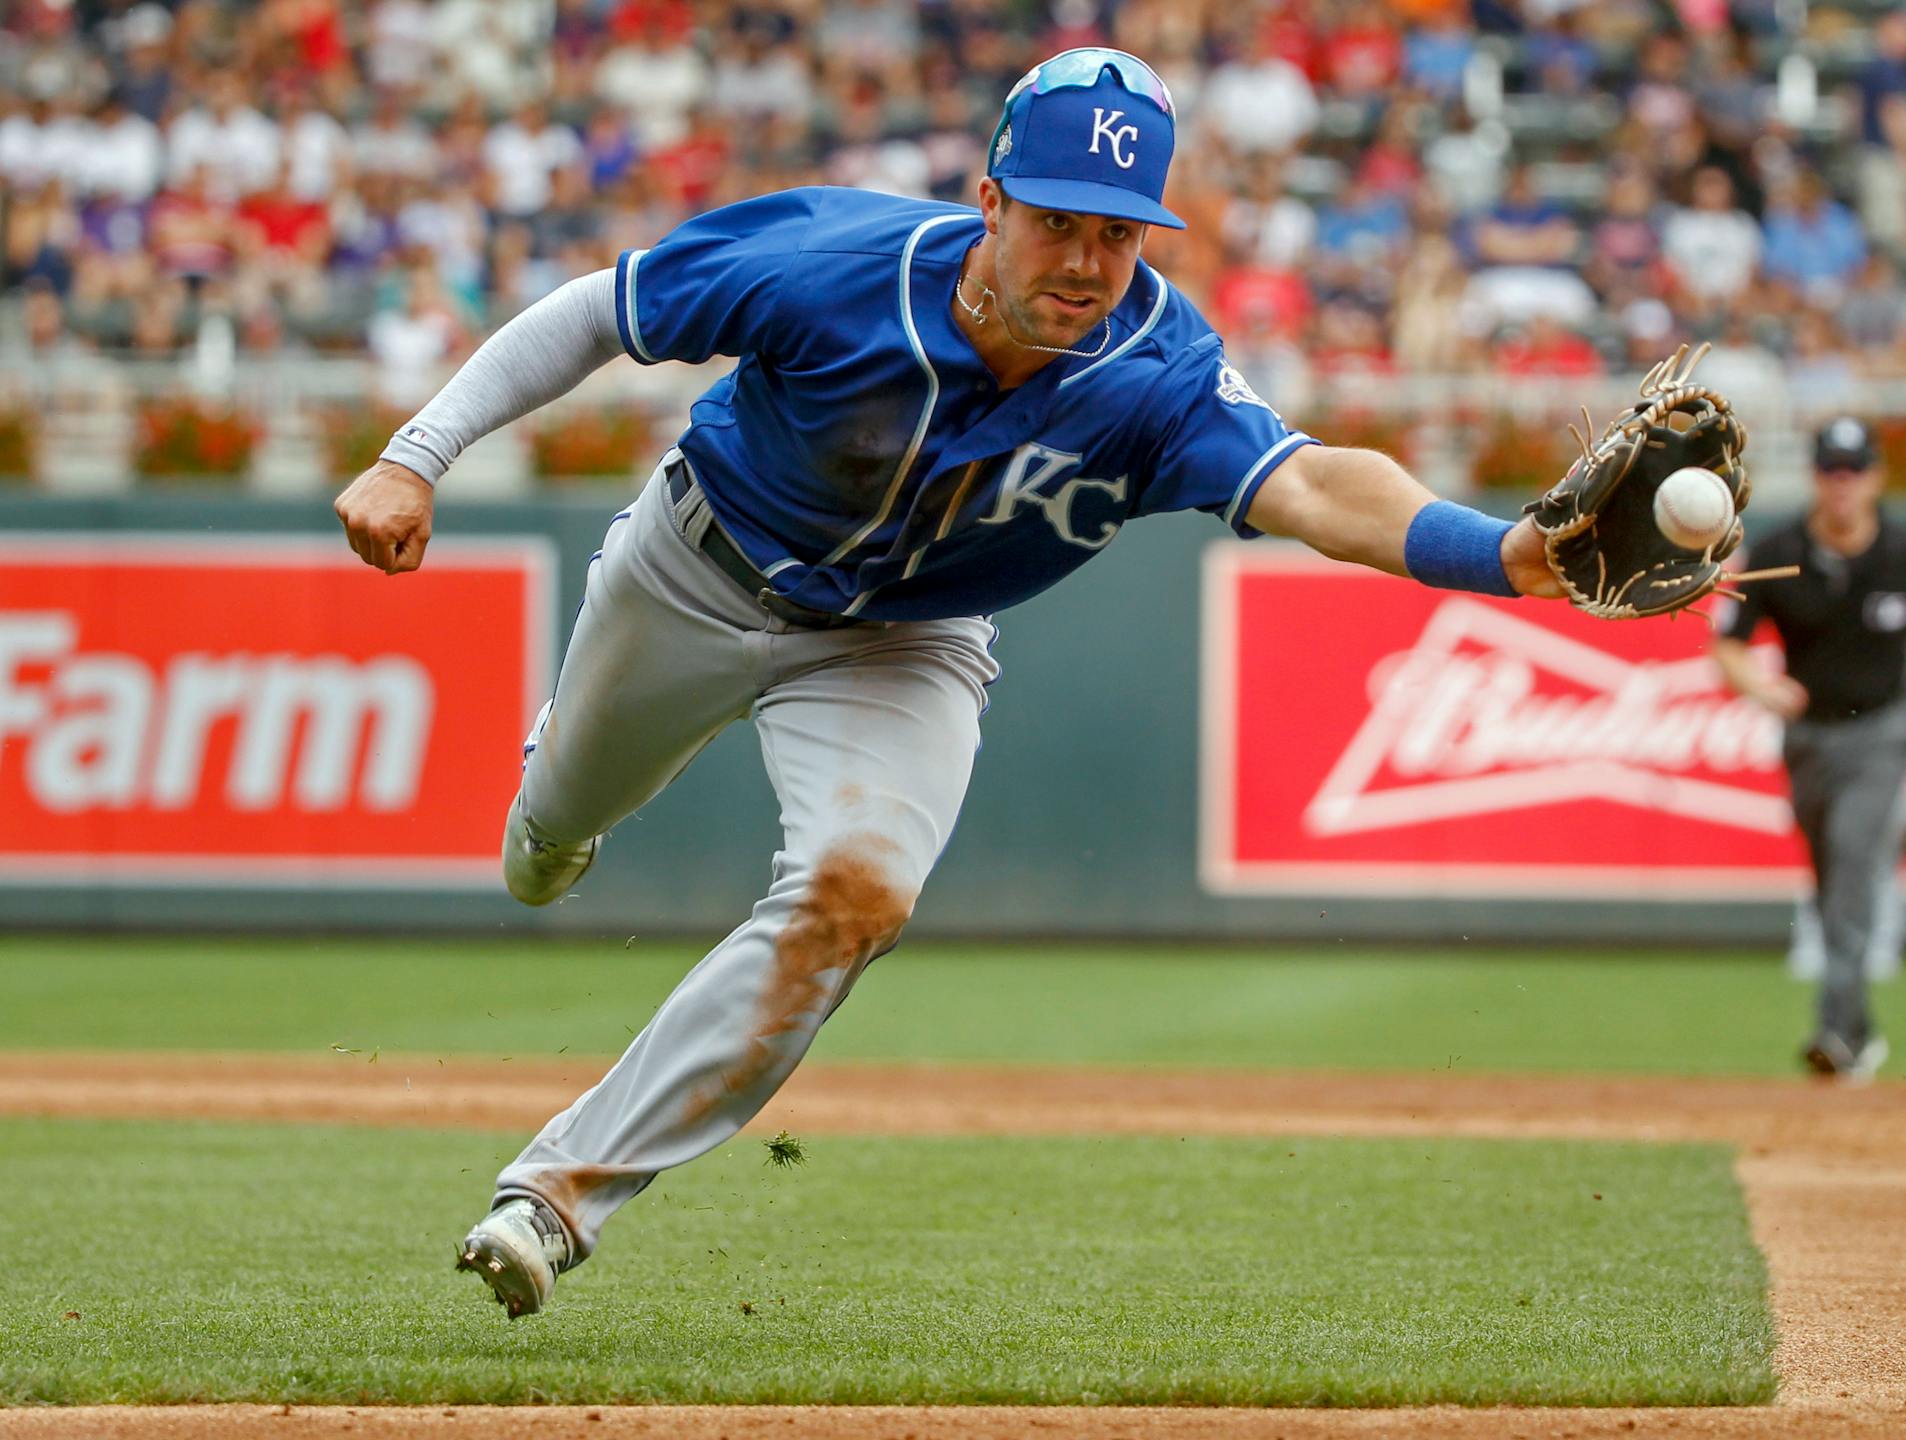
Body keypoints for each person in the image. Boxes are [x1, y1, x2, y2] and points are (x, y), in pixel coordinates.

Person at [333, 49, 1567, 1320]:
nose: (1087, 263)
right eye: (1056, 222)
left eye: (1120, 234)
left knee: (853, 896)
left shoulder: (1160, 369)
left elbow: (1311, 484)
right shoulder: (832, 259)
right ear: (989, 202)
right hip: (695, 571)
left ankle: (557, 1199)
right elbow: (602, 312)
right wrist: (416, 455)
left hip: (905, 641)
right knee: (542, 849)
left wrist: (1503, 555)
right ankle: (555, 801)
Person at [1712, 417, 1906, 1083]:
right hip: (1808, 738)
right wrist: (1759, 687)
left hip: (1884, 733)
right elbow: (1729, 642)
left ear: (1875, 477)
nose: (1842, 485)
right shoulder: (1778, 550)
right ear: (1815, 476)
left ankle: (1835, 1029)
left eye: (1854, 470)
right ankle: (1859, 1033)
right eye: (1832, 470)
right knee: (1832, 876)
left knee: (1856, 865)